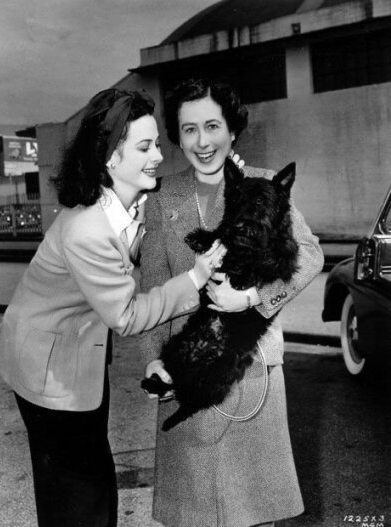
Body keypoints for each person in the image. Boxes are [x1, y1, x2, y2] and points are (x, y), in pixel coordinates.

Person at [0, 87, 225, 527]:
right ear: (109, 159)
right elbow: (126, 316)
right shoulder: (87, 230)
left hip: (71, 354)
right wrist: (195, 278)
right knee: (79, 494)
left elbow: (136, 249)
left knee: (91, 481)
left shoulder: (122, 205)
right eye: (144, 147)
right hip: (45, 370)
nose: (158, 154)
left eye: (157, 143)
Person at [139, 77, 324, 527]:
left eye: (212, 126)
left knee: (254, 512)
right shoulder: (163, 200)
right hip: (190, 368)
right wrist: (152, 362)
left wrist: (253, 299)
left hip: (253, 368)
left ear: (232, 129)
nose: (202, 142)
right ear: (177, 137)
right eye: (188, 130)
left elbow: (311, 255)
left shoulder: (264, 183)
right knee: (195, 515)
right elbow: (153, 286)